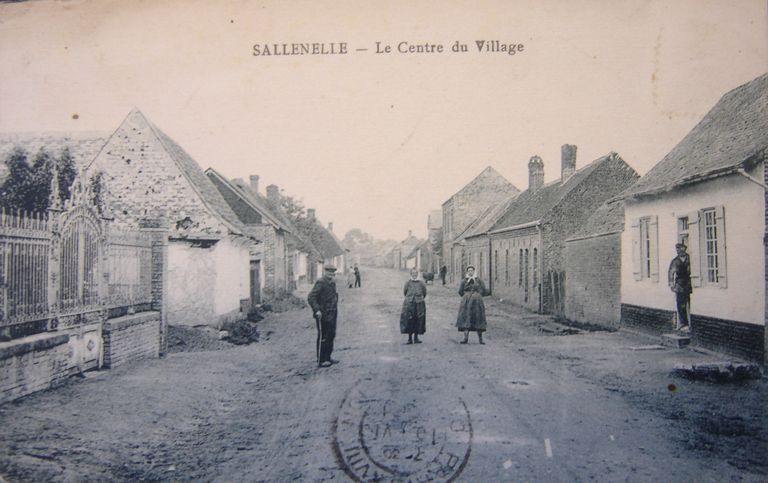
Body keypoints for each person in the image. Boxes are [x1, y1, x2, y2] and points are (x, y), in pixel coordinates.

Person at [308, 265, 340, 367]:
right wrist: (317, 310)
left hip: (332, 313)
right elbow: (311, 297)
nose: (331, 274)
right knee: (323, 336)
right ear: (325, 272)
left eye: (333, 272)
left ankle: (328, 357)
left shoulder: (332, 282)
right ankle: (321, 360)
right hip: (323, 314)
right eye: (329, 272)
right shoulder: (321, 282)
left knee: (331, 335)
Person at [456, 266, 488, 344]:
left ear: (474, 271)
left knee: (478, 318)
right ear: (467, 272)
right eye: (469, 271)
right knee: (466, 318)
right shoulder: (464, 281)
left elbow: (483, 290)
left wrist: (478, 295)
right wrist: (466, 296)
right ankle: (465, 338)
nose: (470, 272)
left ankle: (480, 339)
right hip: (466, 302)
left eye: (472, 271)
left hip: (477, 302)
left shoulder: (479, 280)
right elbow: (460, 291)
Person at [668, 243, 692, 332]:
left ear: (684, 250)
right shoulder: (675, 261)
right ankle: (683, 324)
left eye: (681, 249)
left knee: (688, 303)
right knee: (680, 304)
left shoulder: (689, 259)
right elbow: (671, 273)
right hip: (679, 284)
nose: (679, 251)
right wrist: (671, 285)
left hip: (688, 283)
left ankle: (688, 322)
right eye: (677, 250)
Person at [400, 268, 427, 344]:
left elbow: (424, 293)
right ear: (411, 274)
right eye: (413, 273)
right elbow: (405, 292)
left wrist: (419, 298)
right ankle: (409, 339)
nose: (414, 274)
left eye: (416, 273)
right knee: (409, 320)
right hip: (409, 304)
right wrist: (410, 298)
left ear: (417, 274)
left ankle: (416, 338)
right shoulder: (408, 283)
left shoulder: (421, 283)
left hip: (419, 304)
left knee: (418, 320)